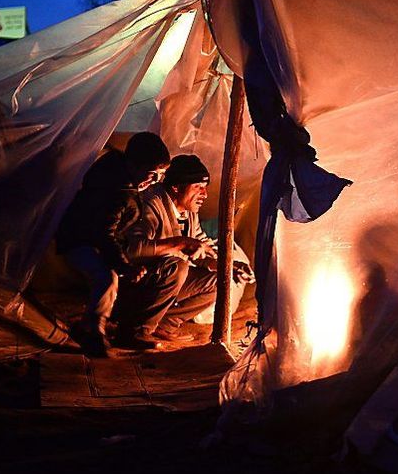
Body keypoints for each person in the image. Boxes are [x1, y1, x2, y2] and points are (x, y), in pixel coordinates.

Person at [116, 154, 253, 349]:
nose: (204, 194)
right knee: (177, 266)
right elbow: (131, 250)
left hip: (165, 282)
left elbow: (202, 247)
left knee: (221, 280)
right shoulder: (151, 204)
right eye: (198, 187)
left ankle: (164, 324)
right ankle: (136, 330)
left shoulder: (189, 212)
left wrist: (229, 266)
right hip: (133, 284)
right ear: (176, 187)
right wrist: (178, 243)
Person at [56, 132, 171, 357]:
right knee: (106, 276)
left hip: (97, 241)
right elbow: (103, 234)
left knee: (118, 275)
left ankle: (102, 325)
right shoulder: (113, 190)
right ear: (133, 165)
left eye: (160, 176)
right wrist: (124, 265)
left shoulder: (126, 184)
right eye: (151, 174)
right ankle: (92, 331)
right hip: (78, 240)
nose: (154, 181)